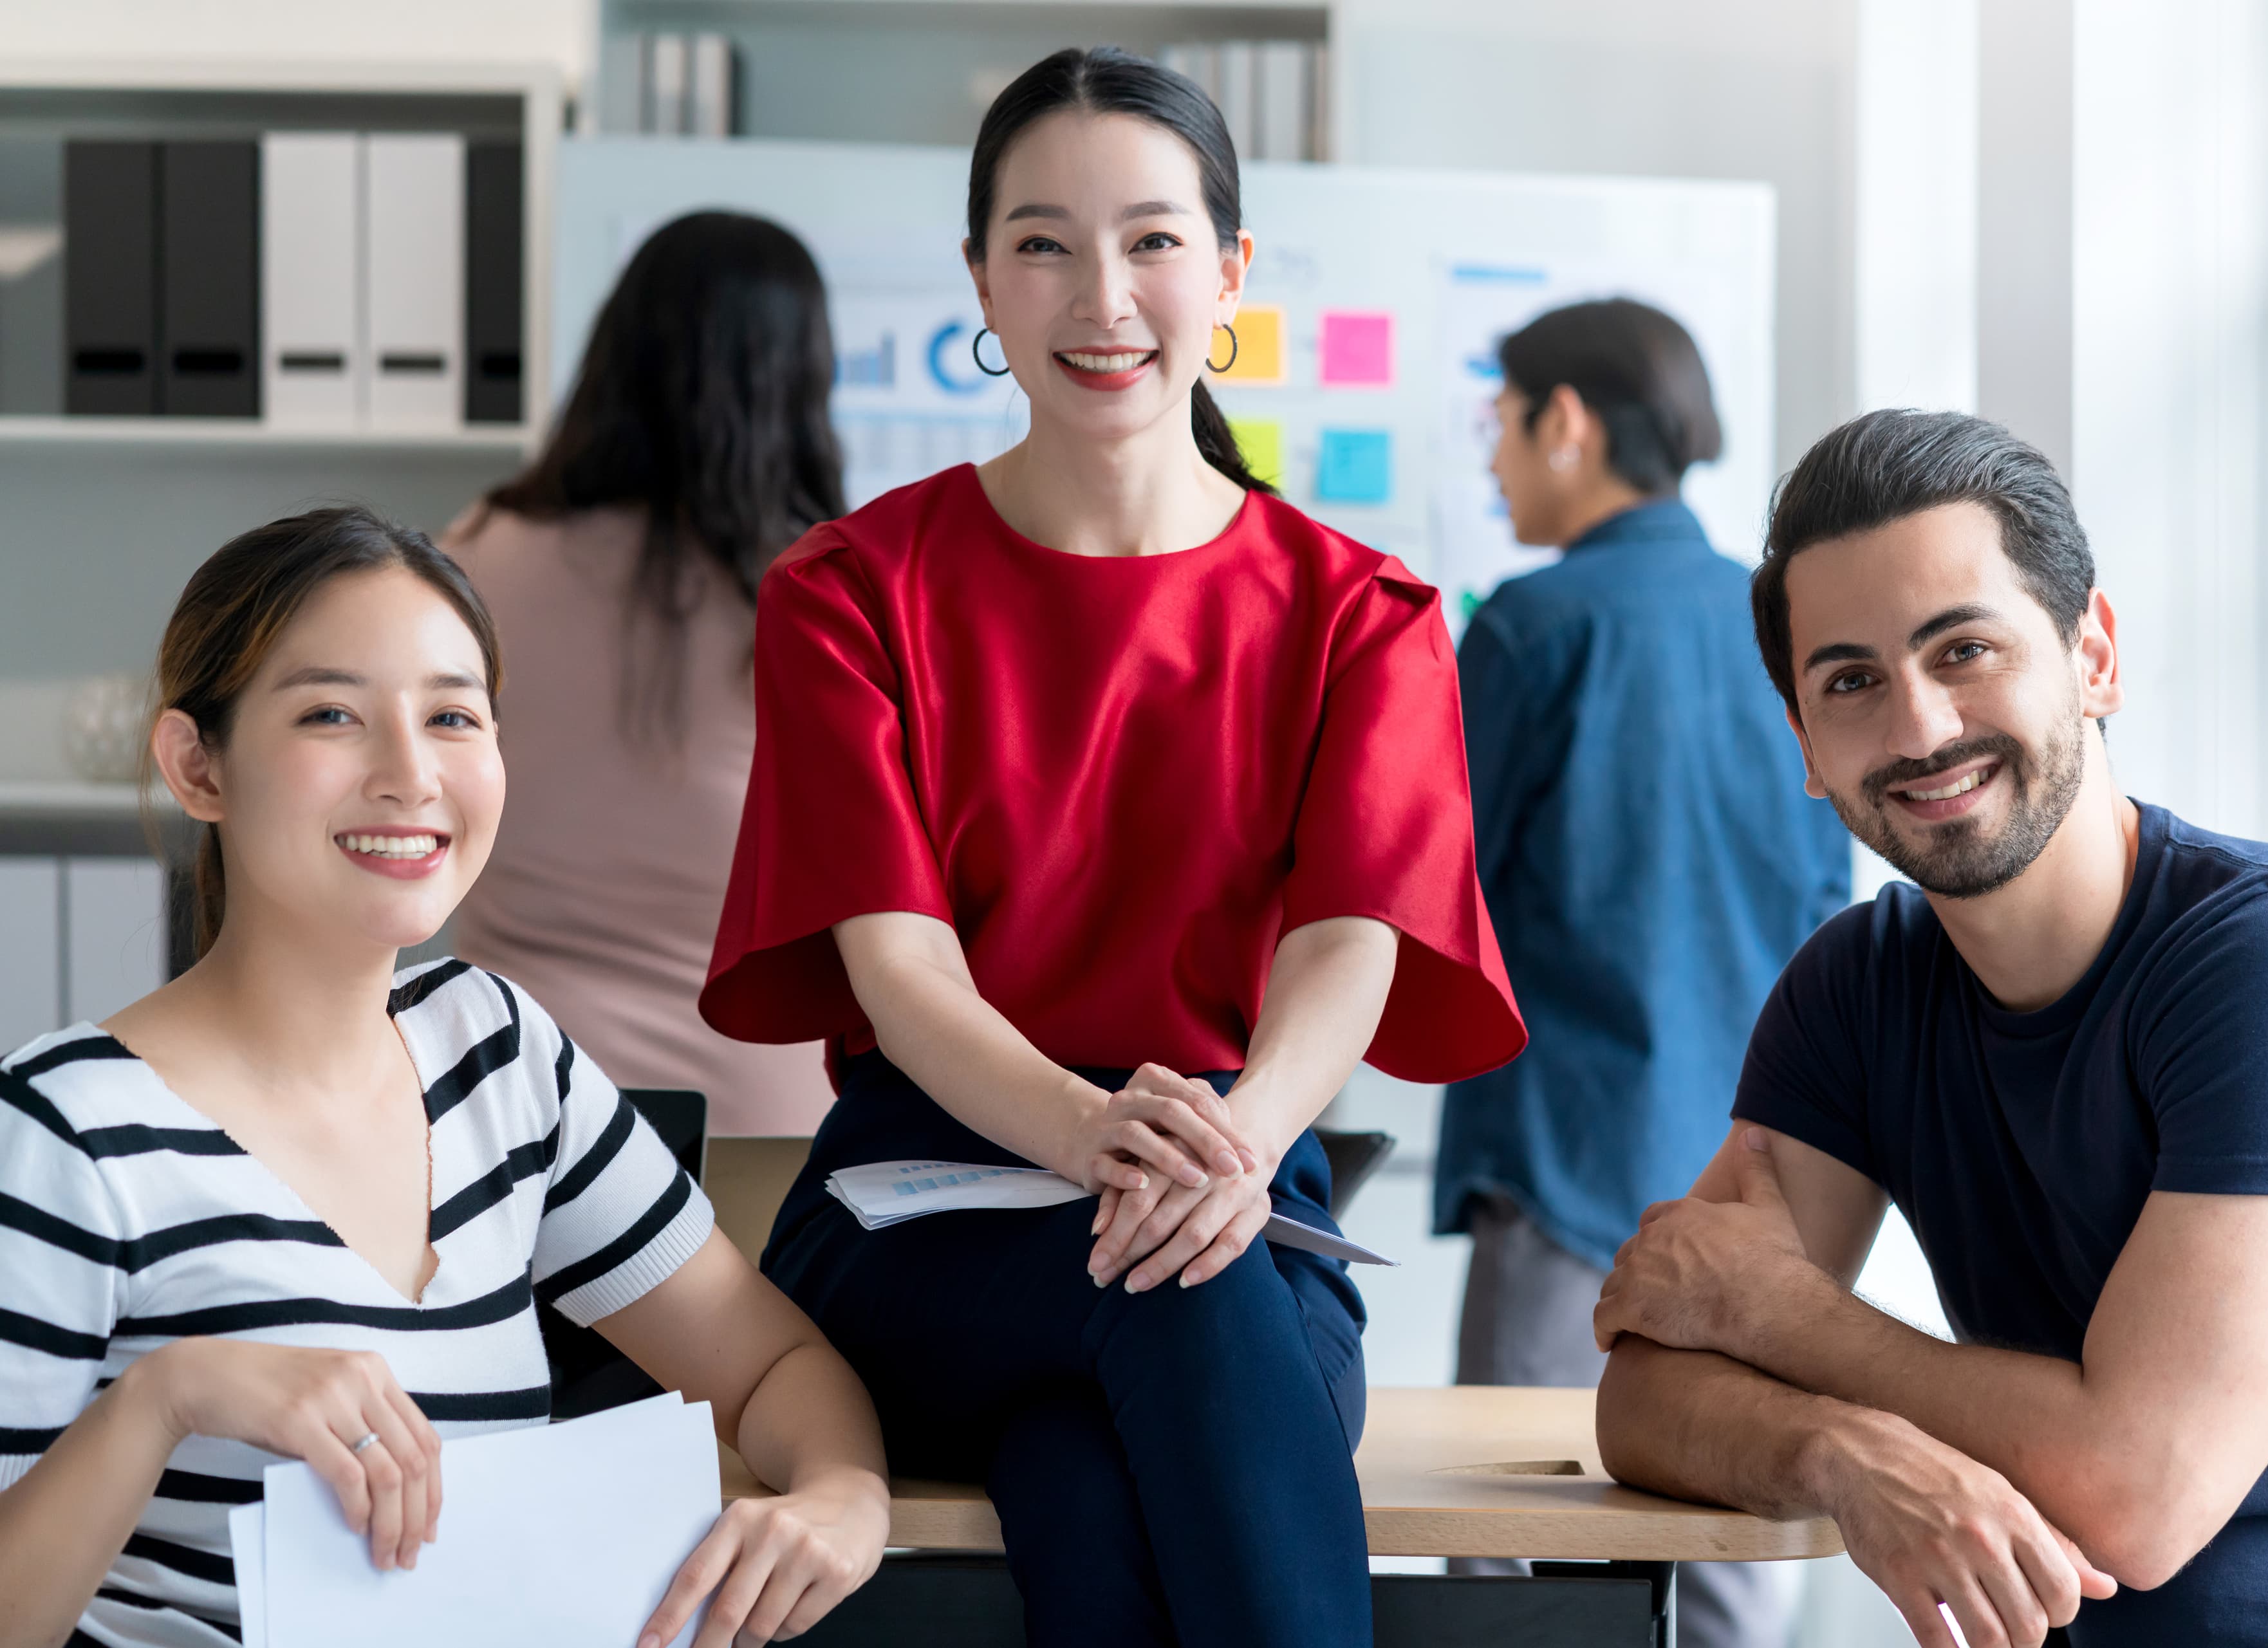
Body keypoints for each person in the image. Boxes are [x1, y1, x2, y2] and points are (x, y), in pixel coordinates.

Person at [696, 47, 1524, 1648]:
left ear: (1229, 275)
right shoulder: (851, 591)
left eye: (1152, 241)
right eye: (1043, 243)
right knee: (1183, 1302)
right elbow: (898, 968)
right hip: (921, 1224)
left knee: (1083, 1482)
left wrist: (1225, 1144)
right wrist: (1100, 1141)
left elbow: (1349, 942)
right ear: (981, 287)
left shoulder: (1362, 610)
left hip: (1231, 1204)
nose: (1103, 295)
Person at [0, 507, 890, 1648]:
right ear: (197, 765)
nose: (410, 774)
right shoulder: (67, 1131)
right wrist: (165, 1400)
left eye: (453, 717)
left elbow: (773, 1366)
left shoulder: (504, 1058)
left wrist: (843, 1498)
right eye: (332, 713)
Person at [1591, 411, 2268, 1648]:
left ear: (2092, 654)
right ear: (1807, 750)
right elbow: (1643, 1390)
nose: (1920, 728)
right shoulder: (1859, 985)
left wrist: (1779, 1318)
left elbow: (2136, 1492)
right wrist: (1842, 1452)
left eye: (1964, 649)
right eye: (1850, 682)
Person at [1433, 299, 1846, 1643]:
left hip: (1567, 1160)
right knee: (1729, 1531)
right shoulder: (1783, 623)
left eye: (1500, 422)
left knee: (1505, 1544)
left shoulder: (1531, 627)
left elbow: (1439, 883)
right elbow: (1822, 903)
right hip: (1760, 1171)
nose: (1492, 460)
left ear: (1567, 421)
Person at [445, 212, 846, 1137]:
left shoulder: (468, 559)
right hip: (759, 1130)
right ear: (800, 378)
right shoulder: (827, 594)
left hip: (515, 1104)